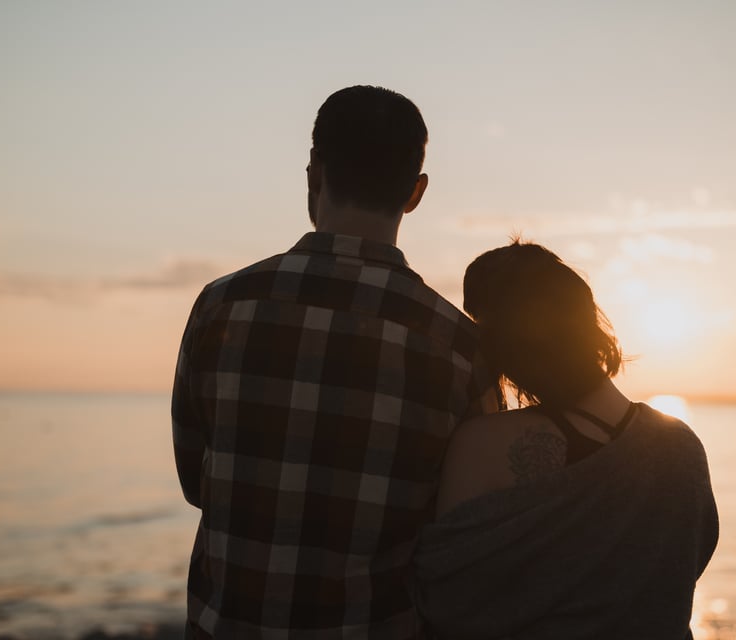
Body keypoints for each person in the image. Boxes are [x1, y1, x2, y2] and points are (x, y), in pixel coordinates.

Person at [171, 85, 502, 639]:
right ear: (416, 192)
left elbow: (194, 481)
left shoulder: (221, 306)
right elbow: (463, 531)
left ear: (314, 173)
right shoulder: (462, 349)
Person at [411, 241, 719, 639]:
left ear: (503, 344)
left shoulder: (483, 443)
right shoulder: (682, 445)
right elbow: (684, 568)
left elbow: (446, 600)